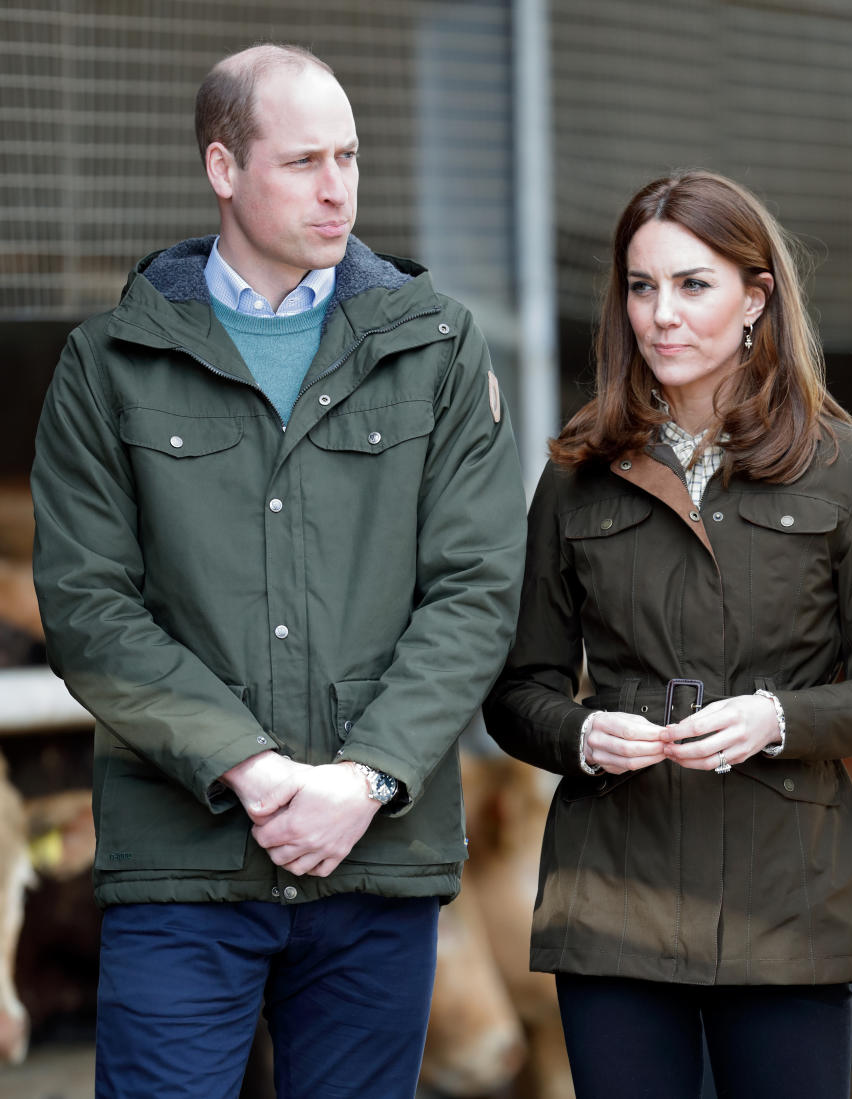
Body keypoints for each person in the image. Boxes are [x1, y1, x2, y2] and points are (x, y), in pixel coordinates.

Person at [31, 44, 526, 1099]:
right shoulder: (111, 361)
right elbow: (86, 604)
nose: (338, 187)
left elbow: (478, 585)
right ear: (222, 168)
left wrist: (364, 778)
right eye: (303, 160)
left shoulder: (434, 348)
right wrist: (251, 770)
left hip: (375, 857)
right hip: (182, 863)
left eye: (350, 155)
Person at [483, 170, 852, 1098]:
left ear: (755, 299)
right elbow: (517, 692)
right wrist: (578, 733)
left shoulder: (850, 470)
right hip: (613, 893)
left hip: (791, 904)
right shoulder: (577, 477)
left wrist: (777, 719)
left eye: (694, 284)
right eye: (642, 287)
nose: (662, 314)